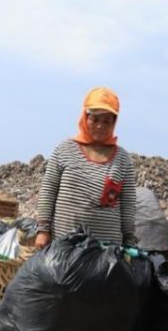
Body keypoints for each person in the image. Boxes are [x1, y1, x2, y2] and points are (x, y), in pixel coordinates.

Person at [35, 87, 137, 249]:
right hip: (66, 245)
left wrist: (129, 240)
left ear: (114, 122)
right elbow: (48, 190)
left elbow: (128, 203)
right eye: (95, 119)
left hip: (106, 250)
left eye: (106, 121)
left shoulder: (122, 159)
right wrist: (43, 230)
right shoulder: (65, 150)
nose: (100, 126)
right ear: (85, 117)